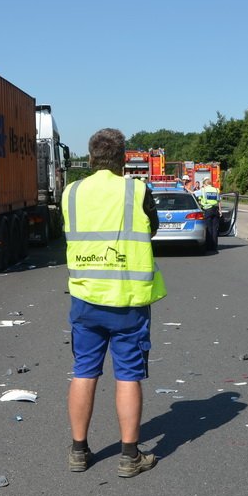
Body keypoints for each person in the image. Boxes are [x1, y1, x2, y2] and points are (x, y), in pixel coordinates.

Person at [61, 128, 167, 478]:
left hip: (85, 299)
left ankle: (79, 451)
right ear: (123, 159)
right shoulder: (136, 189)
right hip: (127, 301)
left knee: (83, 373)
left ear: (90, 158)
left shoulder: (71, 193)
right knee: (128, 376)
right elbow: (150, 229)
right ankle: (129, 456)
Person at [197, 178, 221, 252]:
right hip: (215, 210)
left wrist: (185, 188)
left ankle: (209, 246)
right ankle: (214, 246)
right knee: (215, 229)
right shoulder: (216, 190)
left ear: (205, 184)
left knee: (208, 229)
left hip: (207, 210)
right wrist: (220, 210)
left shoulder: (203, 190)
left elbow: (193, 193)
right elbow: (219, 201)